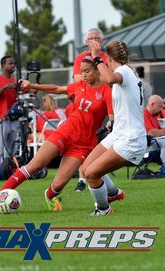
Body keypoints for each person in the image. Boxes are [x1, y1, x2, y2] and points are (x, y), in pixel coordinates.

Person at [0, 55, 122, 212]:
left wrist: (112, 124)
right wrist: (33, 85)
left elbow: (113, 117)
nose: (83, 75)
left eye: (87, 71)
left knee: (58, 185)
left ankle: (50, 196)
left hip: (83, 145)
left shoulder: (107, 92)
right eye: (81, 71)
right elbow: (57, 89)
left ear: (98, 71)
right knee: (35, 166)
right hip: (65, 132)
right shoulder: (79, 86)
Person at [81, 39, 147, 216]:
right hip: (120, 133)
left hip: (131, 139)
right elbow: (106, 79)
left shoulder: (122, 71)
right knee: (85, 168)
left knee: (92, 174)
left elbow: (109, 79)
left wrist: (96, 57)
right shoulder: (126, 71)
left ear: (108, 57)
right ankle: (113, 193)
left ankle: (103, 210)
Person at [73, 28, 108, 192]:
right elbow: (77, 79)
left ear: (102, 41)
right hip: (85, 105)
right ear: (86, 42)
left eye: (97, 38)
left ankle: (91, 177)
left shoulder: (106, 57)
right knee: (86, 143)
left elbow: (110, 78)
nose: (94, 41)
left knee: (98, 144)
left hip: (105, 104)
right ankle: (82, 177)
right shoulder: (80, 58)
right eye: (91, 38)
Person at [143, 95, 165, 175]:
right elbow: (151, 132)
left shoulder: (155, 115)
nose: (161, 109)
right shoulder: (144, 114)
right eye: (159, 107)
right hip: (146, 146)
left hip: (155, 143)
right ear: (152, 104)